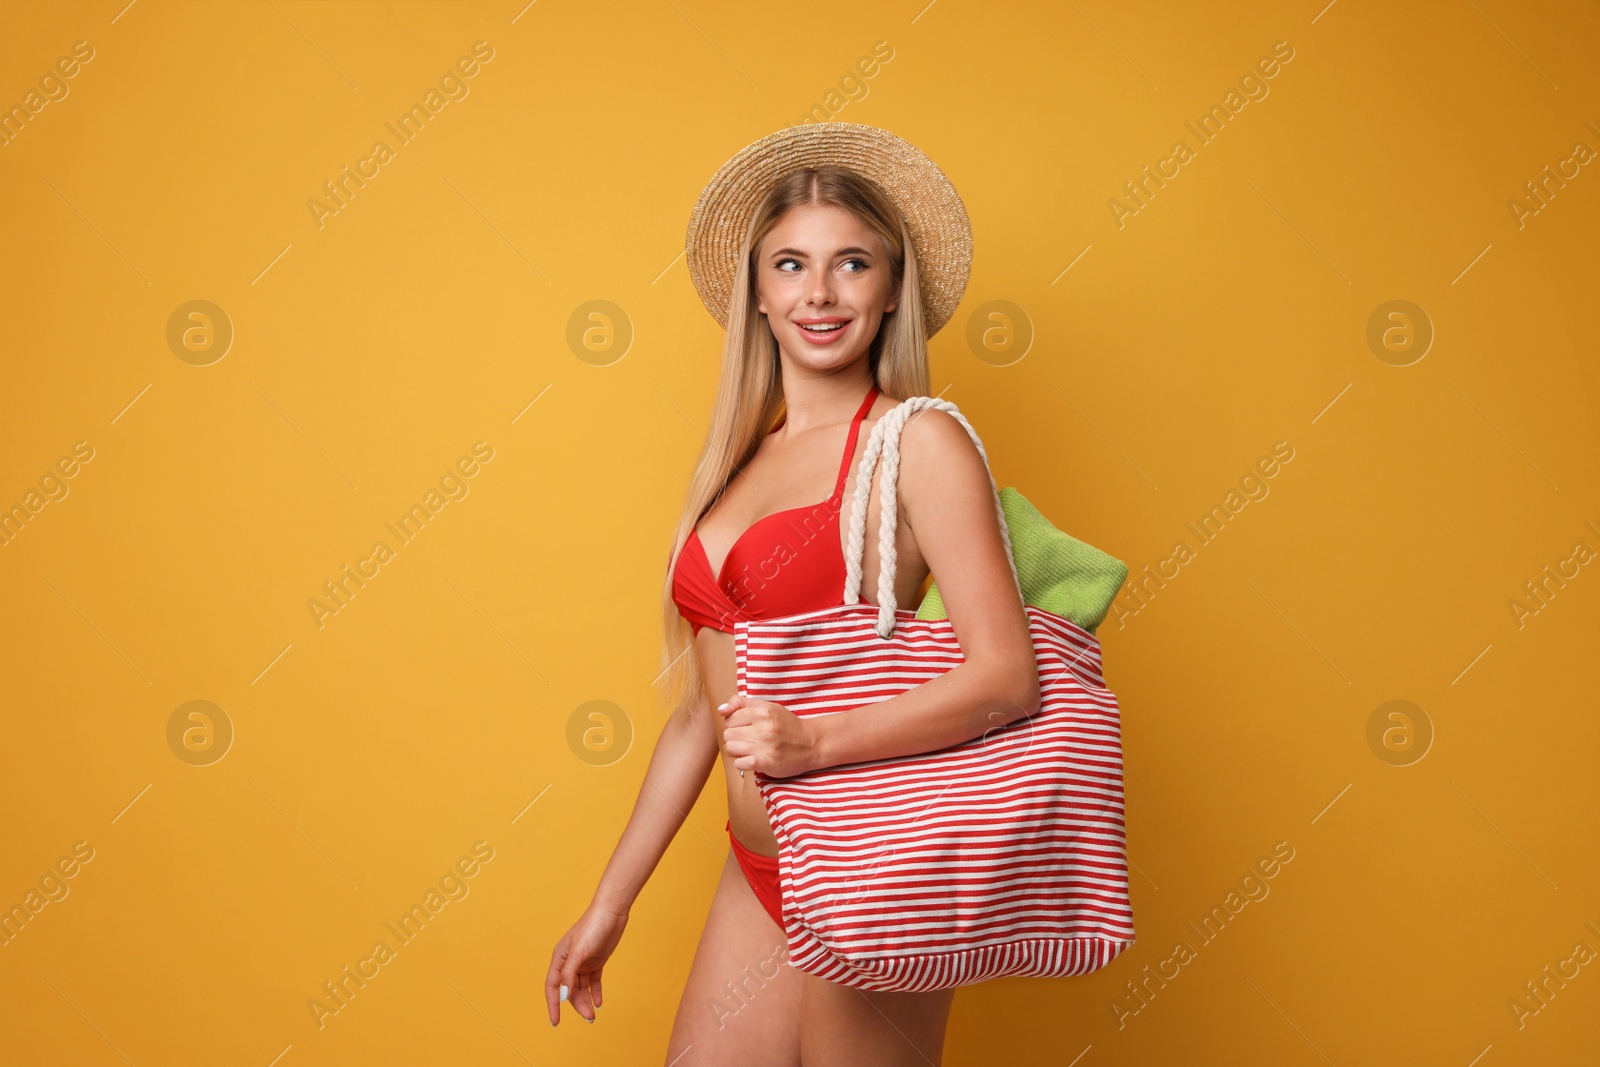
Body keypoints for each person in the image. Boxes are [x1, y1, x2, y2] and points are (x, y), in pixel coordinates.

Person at [544, 124, 1039, 1066]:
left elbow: (1009, 677)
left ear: (893, 289)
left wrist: (813, 741)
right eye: (791, 265)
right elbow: (703, 715)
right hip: (759, 865)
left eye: (852, 263)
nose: (819, 293)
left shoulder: (917, 443)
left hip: (867, 865)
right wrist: (611, 902)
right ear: (759, 294)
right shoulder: (737, 465)